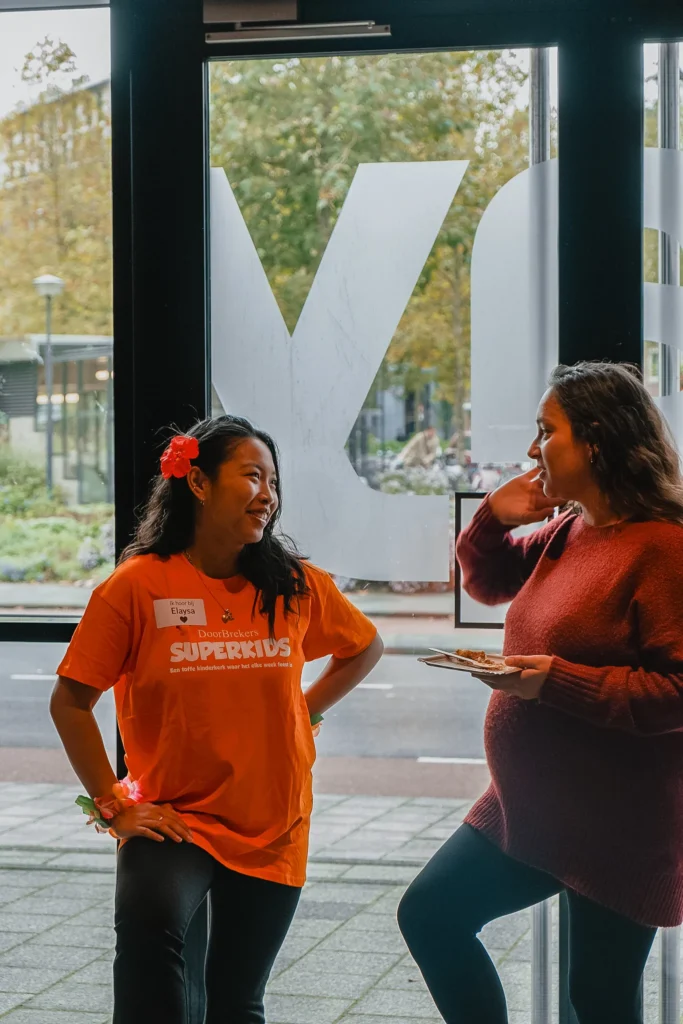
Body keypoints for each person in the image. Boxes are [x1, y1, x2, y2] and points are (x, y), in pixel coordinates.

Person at [50, 415, 383, 1024]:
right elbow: (71, 701)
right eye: (252, 476)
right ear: (198, 483)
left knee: (237, 1002)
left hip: (272, 822)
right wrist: (113, 804)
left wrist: (300, 711)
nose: (268, 495)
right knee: (151, 953)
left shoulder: (294, 584)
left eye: (273, 482)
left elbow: (363, 646)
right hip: (175, 817)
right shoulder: (136, 587)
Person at [398, 361, 683, 1024]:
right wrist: (493, 517)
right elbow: (490, 582)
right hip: (529, 809)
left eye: (543, 431)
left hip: (617, 823)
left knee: (598, 999)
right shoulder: (569, 530)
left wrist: (552, 681)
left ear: (594, 440)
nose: (531, 449)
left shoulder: (662, 550)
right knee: (430, 917)